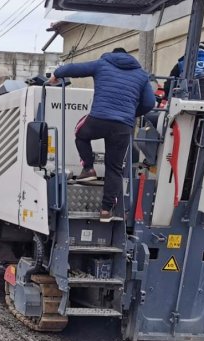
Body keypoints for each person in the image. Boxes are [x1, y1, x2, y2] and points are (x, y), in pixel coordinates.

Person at [49, 47, 155, 222]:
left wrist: (57, 73)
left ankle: (88, 168)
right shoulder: (142, 75)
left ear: (113, 55)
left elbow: (74, 69)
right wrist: (131, 114)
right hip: (123, 126)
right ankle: (106, 210)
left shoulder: (103, 64)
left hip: (99, 118)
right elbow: (149, 103)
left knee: (81, 133)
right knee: (114, 168)